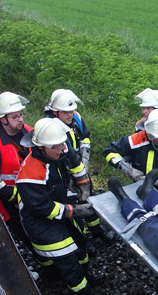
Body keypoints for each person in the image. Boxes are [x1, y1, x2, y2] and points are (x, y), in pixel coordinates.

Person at [16, 117, 109, 295]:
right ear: (41, 148)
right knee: (67, 258)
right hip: (40, 222)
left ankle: (85, 273)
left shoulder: (58, 149)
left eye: (62, 145)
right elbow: (43, 208)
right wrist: (76, 211)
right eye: (56, 148)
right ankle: (83, 294)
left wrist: (83, 185)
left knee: (80, 241)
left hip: (61, 206)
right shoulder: (31, 173)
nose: (61, 150)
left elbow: (75, 164)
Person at [44, 88, 115, 243]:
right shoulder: (50, 128)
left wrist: (84, 162)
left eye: (72, 110)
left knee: (88, 197)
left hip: (79, 166)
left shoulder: (75, 118)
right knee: (72, 205)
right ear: (55, 112)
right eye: (65, 112)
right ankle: (82, 240)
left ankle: (97, 230)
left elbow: (85, 138)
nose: (70, 115)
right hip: (63, 173)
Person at [103, 109, 158, 212]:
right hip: (140, 194)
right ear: (149, 132)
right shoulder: (137, 139)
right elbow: (110, 151)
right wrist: (128, 169)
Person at [0, 91, 34, 247]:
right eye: (15, 117)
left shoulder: (28, 131)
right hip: (11, 200)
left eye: (21, 114)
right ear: (3, 119)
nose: (20, 119)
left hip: (33, 192)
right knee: (28, 235)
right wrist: (17, 197)